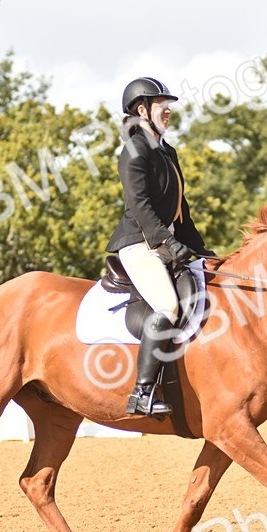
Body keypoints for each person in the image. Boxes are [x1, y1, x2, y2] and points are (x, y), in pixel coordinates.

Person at [105, 77, 213, 417]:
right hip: (139, 243)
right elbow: (140, 206)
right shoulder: (135, 149)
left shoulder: (168, 151)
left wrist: (203, 250)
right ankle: (142, 393)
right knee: (167, 307)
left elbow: (182, 211)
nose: (168, 109)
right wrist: (168, 243)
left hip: (165, 244)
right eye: (161, 103)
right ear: (142, 110)